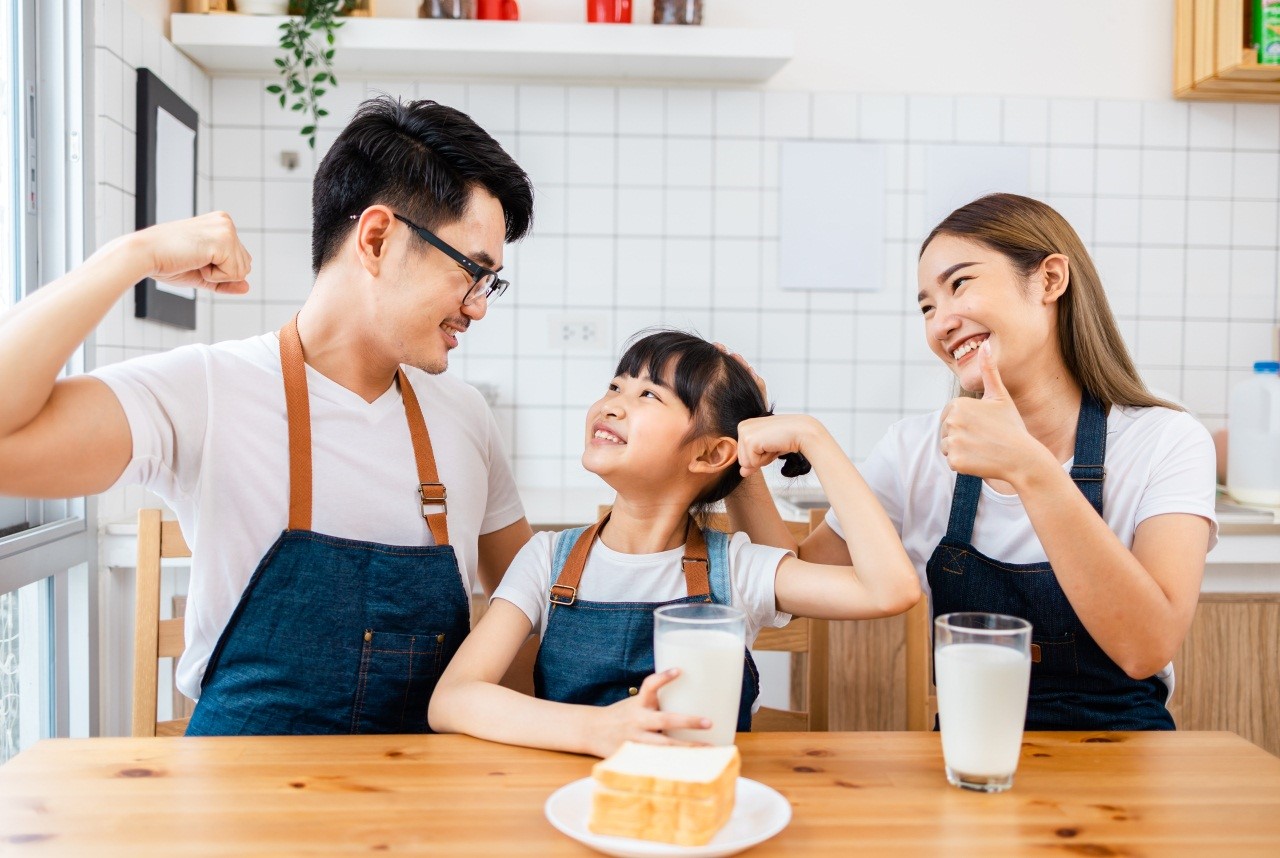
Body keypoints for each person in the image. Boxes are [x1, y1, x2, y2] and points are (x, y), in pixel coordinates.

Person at [0, 97, 536, 735]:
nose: (477, 307)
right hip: (239, 802)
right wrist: (131, 256)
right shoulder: (209, 390)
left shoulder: (466, 417)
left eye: (489, 282)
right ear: (377, 239)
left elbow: (527, 613)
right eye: (473, 271)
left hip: (420, 803)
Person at [729, 193, 1217, 731]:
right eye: (927, 307)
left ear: (1050, 280)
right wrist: (737, 462)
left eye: (960, 284)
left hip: (1124, 753)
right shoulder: (915, 451)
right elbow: (796, 585)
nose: (941, 323)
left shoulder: (1166, 441)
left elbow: (1144, 647)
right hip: (967, 751)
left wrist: (1027, 467)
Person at [427, 330, 920, 757]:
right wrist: (597, 729)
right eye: (616, 385)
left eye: (649, 395)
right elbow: (451, 700)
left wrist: (813, 438)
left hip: (699, 805)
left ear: (710, 454)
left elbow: (890, 591)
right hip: (575, 808)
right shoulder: (546, 560)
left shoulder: (738, 571)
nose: (613, 402)